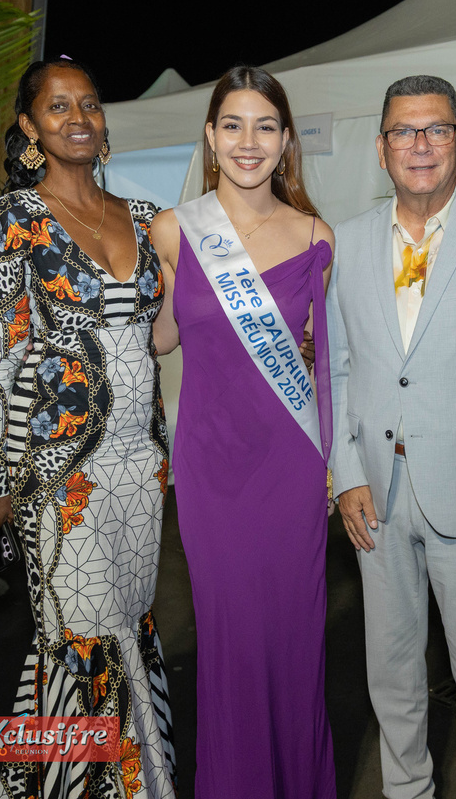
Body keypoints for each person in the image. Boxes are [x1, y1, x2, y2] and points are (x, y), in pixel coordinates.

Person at [0, 58, 176, 798]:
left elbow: (164, 335)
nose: (79, 118)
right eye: (58, 107)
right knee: (79, 635)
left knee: (128, 624)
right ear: (30, 126)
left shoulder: (146, 218)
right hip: (60, 470)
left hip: (140, 465)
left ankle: (135, 777)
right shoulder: (7, 220)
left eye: (89, 104)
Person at [326, 75, 456, 799]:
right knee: (391, 679)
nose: (420, 144)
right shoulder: (347, 241)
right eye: (403, 131)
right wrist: (347, 474)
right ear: (381, 147)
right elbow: (338, 369)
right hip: (376, 501)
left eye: (436, 129)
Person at [150, 65, 336, 799]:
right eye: (232, 125)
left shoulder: (316, 237)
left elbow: (323, 360)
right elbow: (162, 336)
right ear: (210, 135)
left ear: (286, 140)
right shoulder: (174, 229)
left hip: (288, 467)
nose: (248, 141)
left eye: (265, 126)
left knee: (292, 639)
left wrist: (335, 463)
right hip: (210, 468)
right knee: (229, 640)